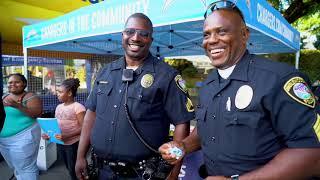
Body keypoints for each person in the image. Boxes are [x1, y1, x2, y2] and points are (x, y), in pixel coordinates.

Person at [159, 1, 320, 179]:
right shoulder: (208, 85)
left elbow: (311, 155)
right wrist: (184, 146)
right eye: (206, 34)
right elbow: (206, 129)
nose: (212, 40)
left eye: (222, 31)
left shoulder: (279, 79)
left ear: (244, 35)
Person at [75, 13, 194, 180]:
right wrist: (80, 156)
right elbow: (91, 114)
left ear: (151, 40)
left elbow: (182, 123)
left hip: (141, 174)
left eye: (143, 34)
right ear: (122, 36)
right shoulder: (106, 71)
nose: (135, 37)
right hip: (100, 170)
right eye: (130, 31)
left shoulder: (166, 76)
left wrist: (173, 174)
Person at [0, 73, 42, 180]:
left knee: (27, 168)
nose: (12, 84)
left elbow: (36, 113)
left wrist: (17, 106)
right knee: (17, 167)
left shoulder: (31, 97)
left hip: (24, 138)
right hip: (5, 140)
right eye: (10, 82)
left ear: (24, 84)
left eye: (17, 82)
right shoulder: (5, 97)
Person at [42, 78, 86, 180]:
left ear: (70, 93)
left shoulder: (78, 107)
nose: (58, 94)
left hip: (73, 144)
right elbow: (56, 126)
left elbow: (84, 127)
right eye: (57, 92)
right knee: (68, 167)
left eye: (60, 92)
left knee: (74, 169)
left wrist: (68, 135)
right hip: (61, 142)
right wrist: (49, 135)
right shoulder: (58, 107)